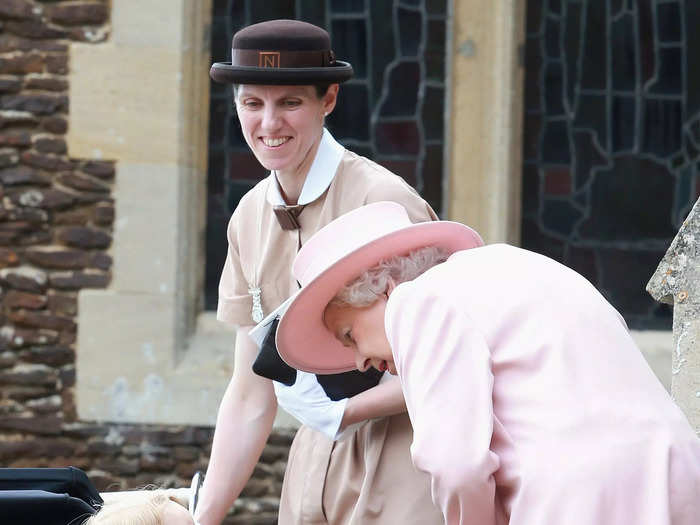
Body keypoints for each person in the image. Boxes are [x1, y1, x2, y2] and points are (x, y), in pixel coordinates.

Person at [275, 201, 700, 525]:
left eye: (349, 335)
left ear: (384, 288)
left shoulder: (417, 301)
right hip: (675, 476)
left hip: (579, 500)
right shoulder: (522, 266)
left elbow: (455, 465)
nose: (360, 361)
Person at [197, 20, 443, 525]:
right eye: (252, 104)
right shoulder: (246, 218)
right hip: (310, 471)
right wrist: (204, 518)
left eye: (290, 103)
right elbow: (250, 392)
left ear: (327, 99)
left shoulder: (385, 202)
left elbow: (447, 362)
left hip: (406, 465)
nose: (269, 124)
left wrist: (342, 412)